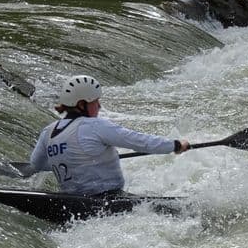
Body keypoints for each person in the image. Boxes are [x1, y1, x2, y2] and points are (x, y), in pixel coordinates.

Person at [29, 75, 189, 196]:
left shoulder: (48, 132)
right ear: (81, 104)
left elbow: (36, 164)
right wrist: (175, 145)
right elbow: (139, 141)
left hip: (71, 199)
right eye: (95, 102)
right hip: (107, 199)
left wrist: (69, 162)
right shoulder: (94, 126)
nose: (99, 106)